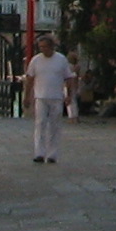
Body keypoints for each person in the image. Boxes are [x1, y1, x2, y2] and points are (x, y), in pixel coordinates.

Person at [24, 34, 76, 165]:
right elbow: (30, 79)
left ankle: (52, 154)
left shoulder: (61, 59)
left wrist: (69, 95)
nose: (43, 49)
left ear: (52, 47)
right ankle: (39, 153)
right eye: (40, 47)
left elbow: (68, 78)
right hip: (40, 96)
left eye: (45, 47)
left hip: (56, 97)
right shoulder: (35, 60)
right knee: (40, 124)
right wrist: (26, 96)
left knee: (54, 125)